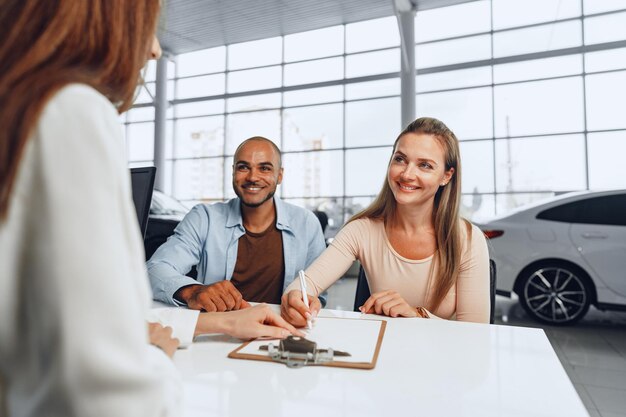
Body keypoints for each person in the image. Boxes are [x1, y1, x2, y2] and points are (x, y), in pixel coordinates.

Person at [0, 2, 298, 416]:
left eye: (266, 167)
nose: (156, 50)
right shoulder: (72, 110)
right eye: (145, 24)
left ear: (281, 175)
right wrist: (155, 355)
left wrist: (223, 323)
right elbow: (105, 391)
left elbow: (61, 326)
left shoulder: (20, 107)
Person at [281, 117, 490, 325]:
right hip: (381, 353)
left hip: (446, 356)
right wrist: (297, 301)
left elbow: (476, 332)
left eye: (425, 165)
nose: (407, 174)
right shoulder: (361, 230)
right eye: (400, 159)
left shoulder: (468, 239)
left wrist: (417, 315)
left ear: (446, 176)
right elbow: (300, 287)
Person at [147, 136, 327, 311]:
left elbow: (317, 292)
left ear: (279, 175)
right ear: (233, 172)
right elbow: (155, 270)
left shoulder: (306, 224)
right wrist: (193, 291)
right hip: (221, 327)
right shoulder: (204, 218)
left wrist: (307, 303)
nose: (253, 177)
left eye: (264, 168)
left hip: (283, 330)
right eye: (243, 167)